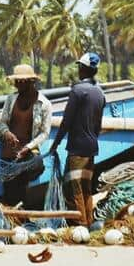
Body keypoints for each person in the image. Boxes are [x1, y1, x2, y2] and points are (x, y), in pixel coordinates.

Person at [47, 52, 105, 224]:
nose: (78, 69)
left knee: (75, 189)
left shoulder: (78, 90)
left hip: (77, 148)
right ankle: (88, 223)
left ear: (84, 69)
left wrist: (55, 144)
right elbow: (98, 125)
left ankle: (80, 225)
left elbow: (66, 122)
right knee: (86, 188)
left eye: (80, 66)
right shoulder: (99, 93)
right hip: (91, 148)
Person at [0, 64, 54, 210]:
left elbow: (45, 133)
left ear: (31, 82)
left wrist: (28, 147)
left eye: (21, 82)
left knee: (25, 183)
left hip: (27, 152)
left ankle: (22, 217)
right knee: (9, 192)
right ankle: (12, 222)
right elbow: (2, 123)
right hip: (9, 153)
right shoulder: (11, 99)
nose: (18, 85)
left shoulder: (44, 104)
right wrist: (7, 133)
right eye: (16, 82)